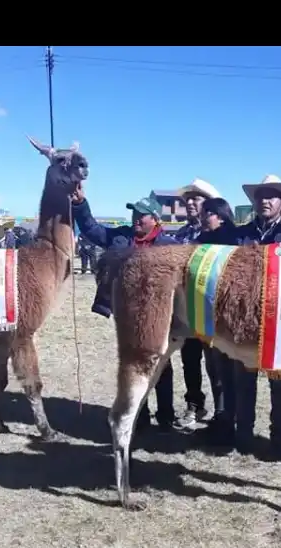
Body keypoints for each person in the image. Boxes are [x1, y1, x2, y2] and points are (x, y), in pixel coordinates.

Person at [72, 194, 180, 432]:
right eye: (134, 214)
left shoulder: (170, 246)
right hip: (127, 314)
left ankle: (165, 415)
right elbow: (90, 228)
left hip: (160, 316)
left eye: (141, 216)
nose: (136, 219)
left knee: (161, 364)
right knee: (134, 364)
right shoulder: (120, 236)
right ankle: (138, 415)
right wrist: (80, 204)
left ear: (155, 219)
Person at [227, 174, 281, 456]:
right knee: (243, 378)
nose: (265, 201)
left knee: (279, 380)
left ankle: (278, 436)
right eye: (261, 196)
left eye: (271, 196)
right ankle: (244, 433)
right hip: (244, 316)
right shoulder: (239, 235)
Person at [172, 179, 223, 429]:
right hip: (186, 309)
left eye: (197, 199)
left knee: (217, 363)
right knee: (189, 360)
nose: (191, 203)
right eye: (188, 199)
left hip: (212, 309)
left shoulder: (219, 235)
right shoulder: (180, 235)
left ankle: (222, 413)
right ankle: (194, 404)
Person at [194, 196, 240, 448]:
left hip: (228, 317)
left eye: (207, 214)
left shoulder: (232, 240)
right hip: (206, 313)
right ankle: (221, 416)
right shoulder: (201, 240)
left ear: (220, 216)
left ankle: (230, 421)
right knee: (214, 369)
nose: (203, 218)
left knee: (228, 371)